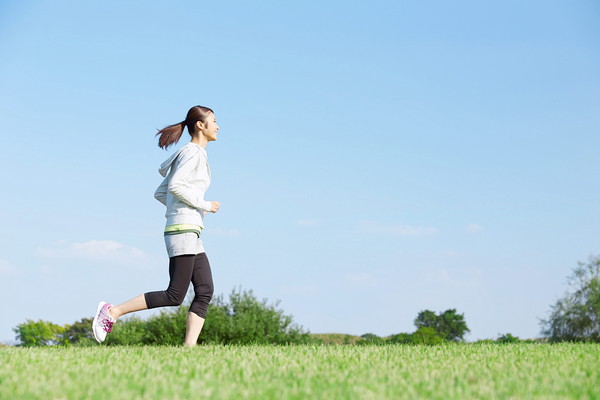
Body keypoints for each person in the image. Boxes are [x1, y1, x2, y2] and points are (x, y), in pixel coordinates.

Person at [92, 105, 221, 347]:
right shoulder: (193, 153)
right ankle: (112, 312)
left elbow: (161, 192)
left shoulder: (193, 153)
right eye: (213, 120)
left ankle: (189, 349)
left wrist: (186, 210)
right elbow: (174, 187)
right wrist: (203, 204)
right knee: (175, 295)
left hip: (189, 229)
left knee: (205, 290)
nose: (218, 126)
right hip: (182, 229)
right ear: (200, 125)